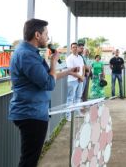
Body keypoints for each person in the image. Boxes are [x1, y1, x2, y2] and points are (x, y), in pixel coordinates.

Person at [9, 18, 78, 167]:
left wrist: (68, 72)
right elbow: (48, 83)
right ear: (37, 35)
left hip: (33, 112)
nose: (48, 37)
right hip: (31, 113)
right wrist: (53, 62)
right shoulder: (27, 55)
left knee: (30, 158)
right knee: (29, 161)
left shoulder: (29, 53)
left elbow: (48, 77)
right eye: (46, 33)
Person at [66, 42, 85, 119]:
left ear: (77, 48)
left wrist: (82, 77)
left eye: (76, 47)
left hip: (80, 80)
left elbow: (83, 67)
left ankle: (78, 113)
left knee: (78, 97)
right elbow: (70, 71)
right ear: (71, 49)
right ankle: (68, 116)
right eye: (73, 47)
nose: (75, 48)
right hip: (72, 80)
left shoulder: (80, 57)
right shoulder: (69, 58)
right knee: (70, 98)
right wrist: (80, 77)